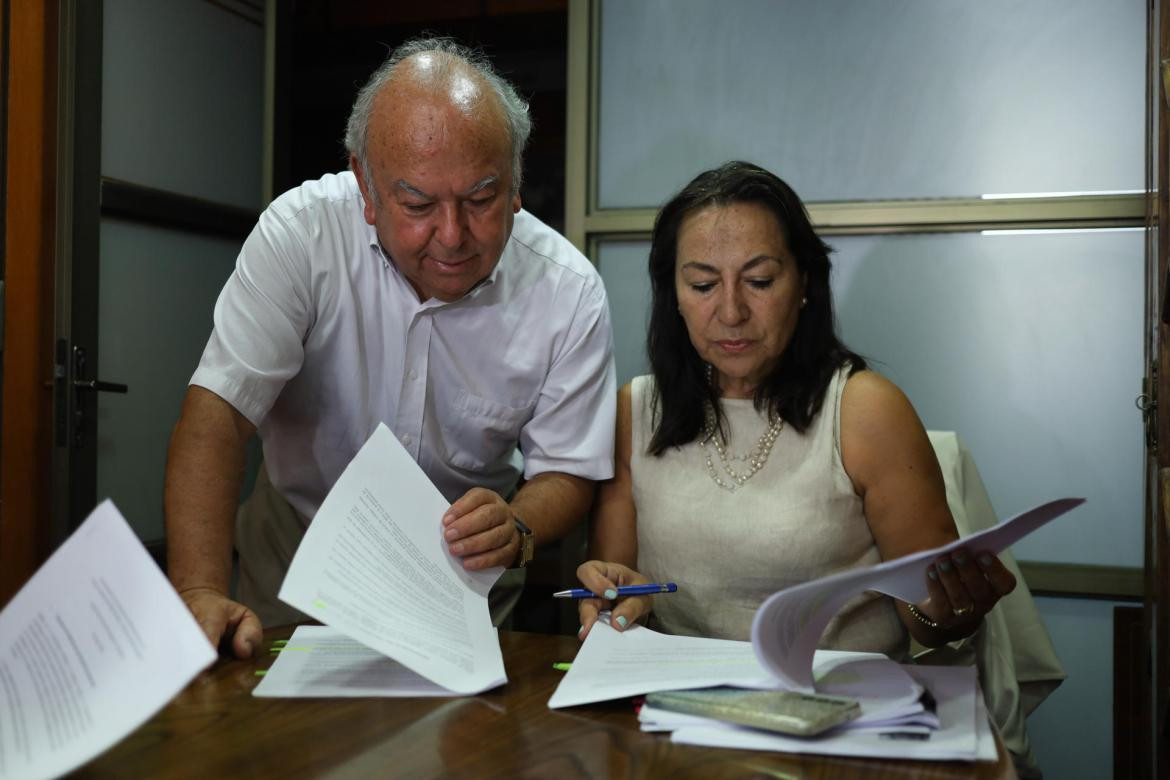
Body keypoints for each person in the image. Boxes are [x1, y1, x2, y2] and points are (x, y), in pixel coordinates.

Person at [165, 38, 615, 658]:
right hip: (296, 548)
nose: (453, 236)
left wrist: (517, 525)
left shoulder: (566, 290)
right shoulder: (302, 236)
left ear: (515, 183)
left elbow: (567, 468)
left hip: (463, 572)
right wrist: (198, 590)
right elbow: (217, 416)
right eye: (418, 204)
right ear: (366, 187)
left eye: (481, 198)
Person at [576, 161, 1015, 655]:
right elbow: (619, 597)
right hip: (680, 710)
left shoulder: (863, 410)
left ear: (805, 283)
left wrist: (945, 608)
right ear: (673, 296)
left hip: (838, 704)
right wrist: (613, 601)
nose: (731, 312)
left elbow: (932, 626)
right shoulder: (636, 413)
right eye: (702, 286)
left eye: (759, 281)